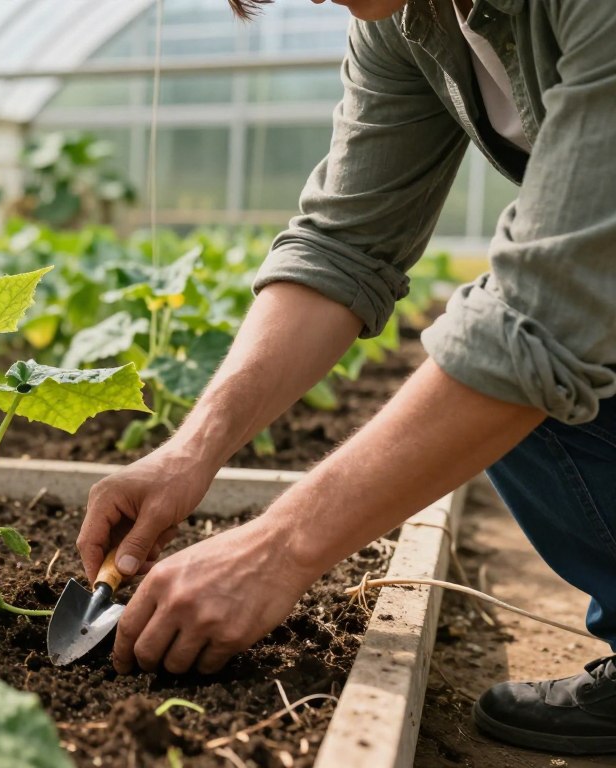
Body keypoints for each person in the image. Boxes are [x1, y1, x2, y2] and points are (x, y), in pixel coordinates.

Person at [76, 0, 616, 755]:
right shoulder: (403, 21)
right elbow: (343, 245)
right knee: (482, 374)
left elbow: (551, 309)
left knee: (502, 363)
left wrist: (277, 550)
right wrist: (189, 452)